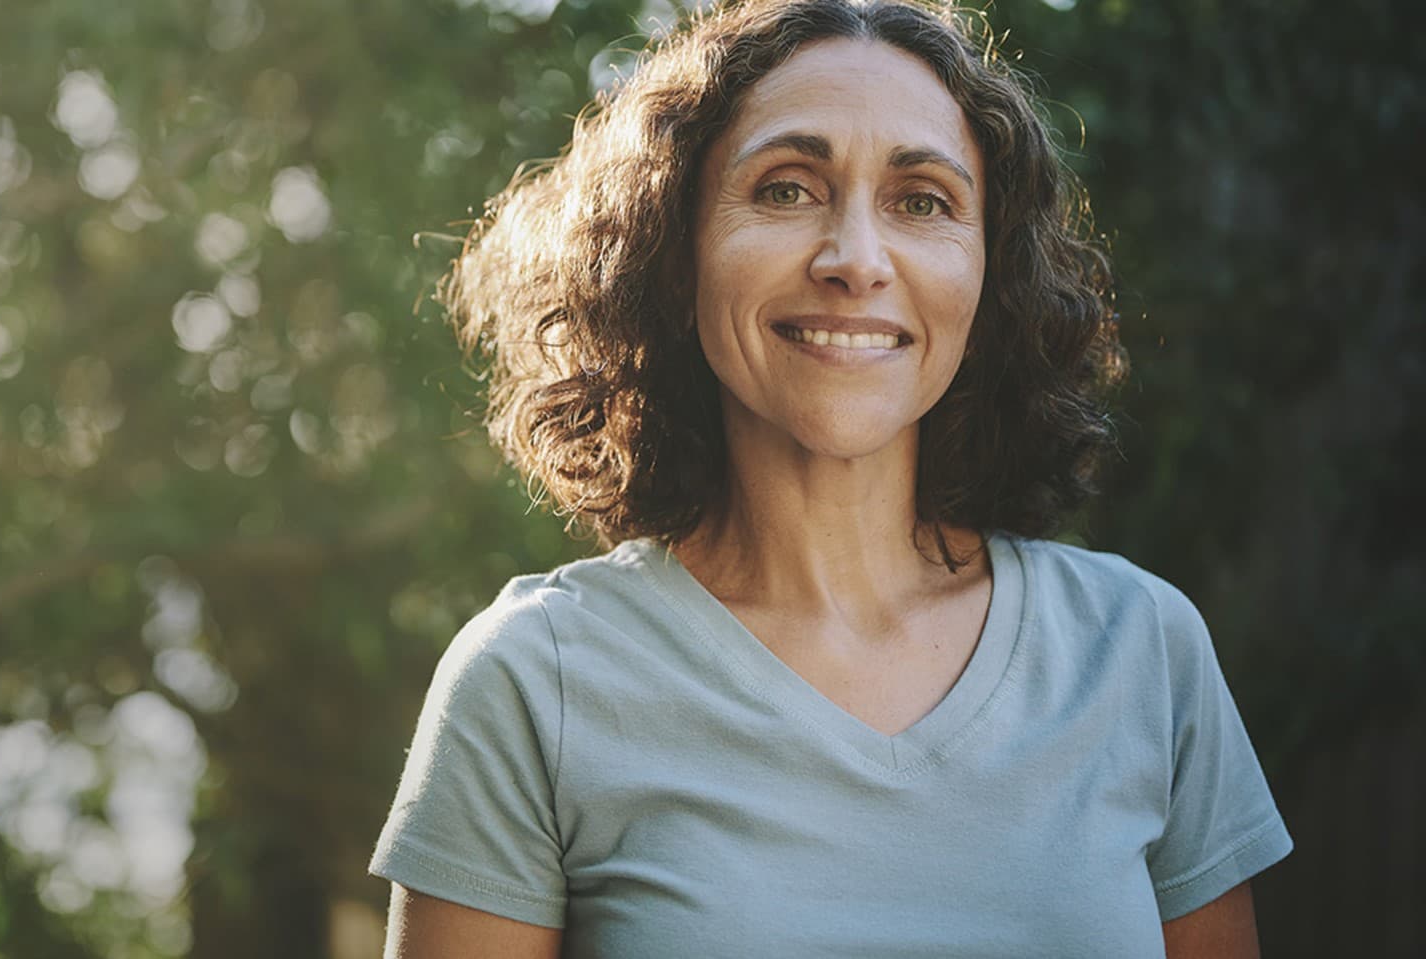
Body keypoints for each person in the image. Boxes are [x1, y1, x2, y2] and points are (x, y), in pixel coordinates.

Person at [368, 0, 1292, 955]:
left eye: (922, 201)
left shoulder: (1141, 653)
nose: (856, 259)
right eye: (786, 189)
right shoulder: (534, 681)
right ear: (674, 249)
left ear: (990, 274)